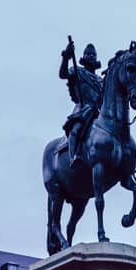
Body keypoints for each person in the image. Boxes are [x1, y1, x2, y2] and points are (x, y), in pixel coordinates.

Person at [59, 36, 104, 174]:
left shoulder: (100, 80)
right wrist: (66, 57)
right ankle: (73, 156)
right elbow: (63, 74)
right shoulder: (77, 71)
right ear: (83, 56)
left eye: (93, 54)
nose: (91, 56)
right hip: (82, 110)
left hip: (98, 113)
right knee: (77, 129)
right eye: (88, 54)